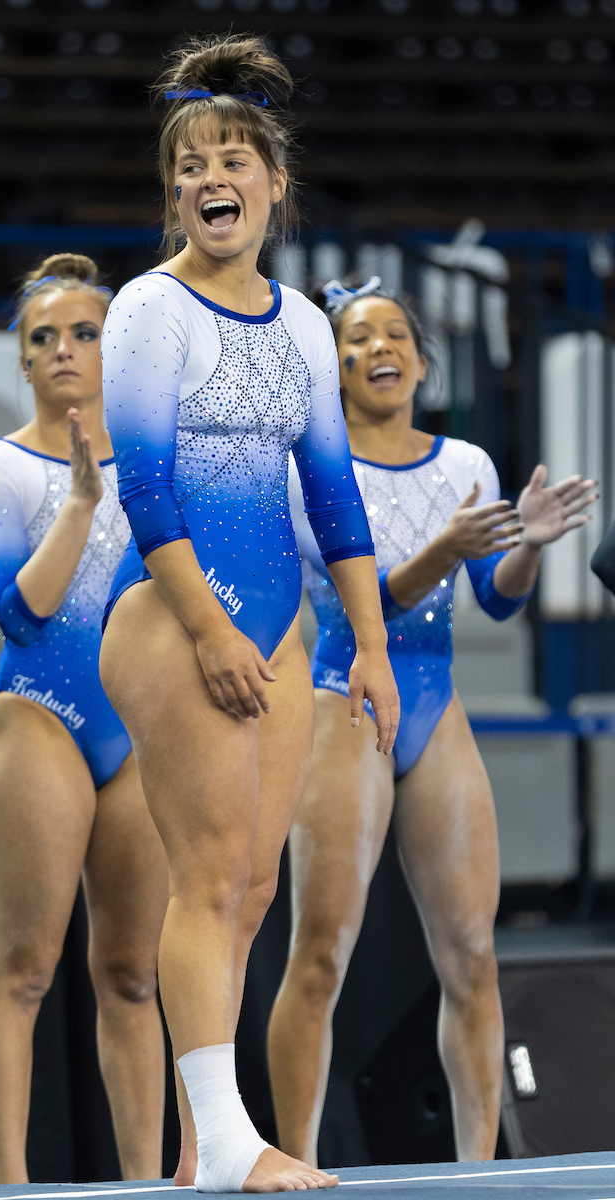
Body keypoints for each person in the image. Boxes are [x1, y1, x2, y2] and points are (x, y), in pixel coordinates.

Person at [98, 34, 399, 1195]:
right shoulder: (147, 309)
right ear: (173, 190)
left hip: (282, 620)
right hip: (175, 612)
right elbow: (146, 485)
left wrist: (365, 643)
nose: (207, 178)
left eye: (230, 158)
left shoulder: (307, 325)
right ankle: (230, 1145)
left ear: (272, 183)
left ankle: (197, 1149)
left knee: (255, 885)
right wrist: (209, 628)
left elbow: (330, 497)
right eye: (187, 164)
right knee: (212, 875)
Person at [267, 280, 597, 1165]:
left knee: (475, 959)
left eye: (392, 335)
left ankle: (481, 1172)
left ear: (420, 356)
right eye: (353, 340)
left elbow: (492, 599)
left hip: (435, 697)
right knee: (321, 957)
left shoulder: (468, 464)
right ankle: (295, 1159)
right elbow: (357, 603)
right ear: (331, 371)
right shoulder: (315, 469)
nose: (376, 349)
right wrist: (445, 550)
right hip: (348, 693)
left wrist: (524, 543)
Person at [0, 254, 169, 1184]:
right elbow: (21, 612)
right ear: (24, 362)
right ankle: (10, 1184)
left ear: (114, 348)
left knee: (132, 975)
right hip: (39, 715)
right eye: (43, 338)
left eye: (85, 332)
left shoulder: (159, 464)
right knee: (26, 970)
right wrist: (81, 501)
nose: (65, 350)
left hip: (138, 730)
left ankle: (151, 1178)